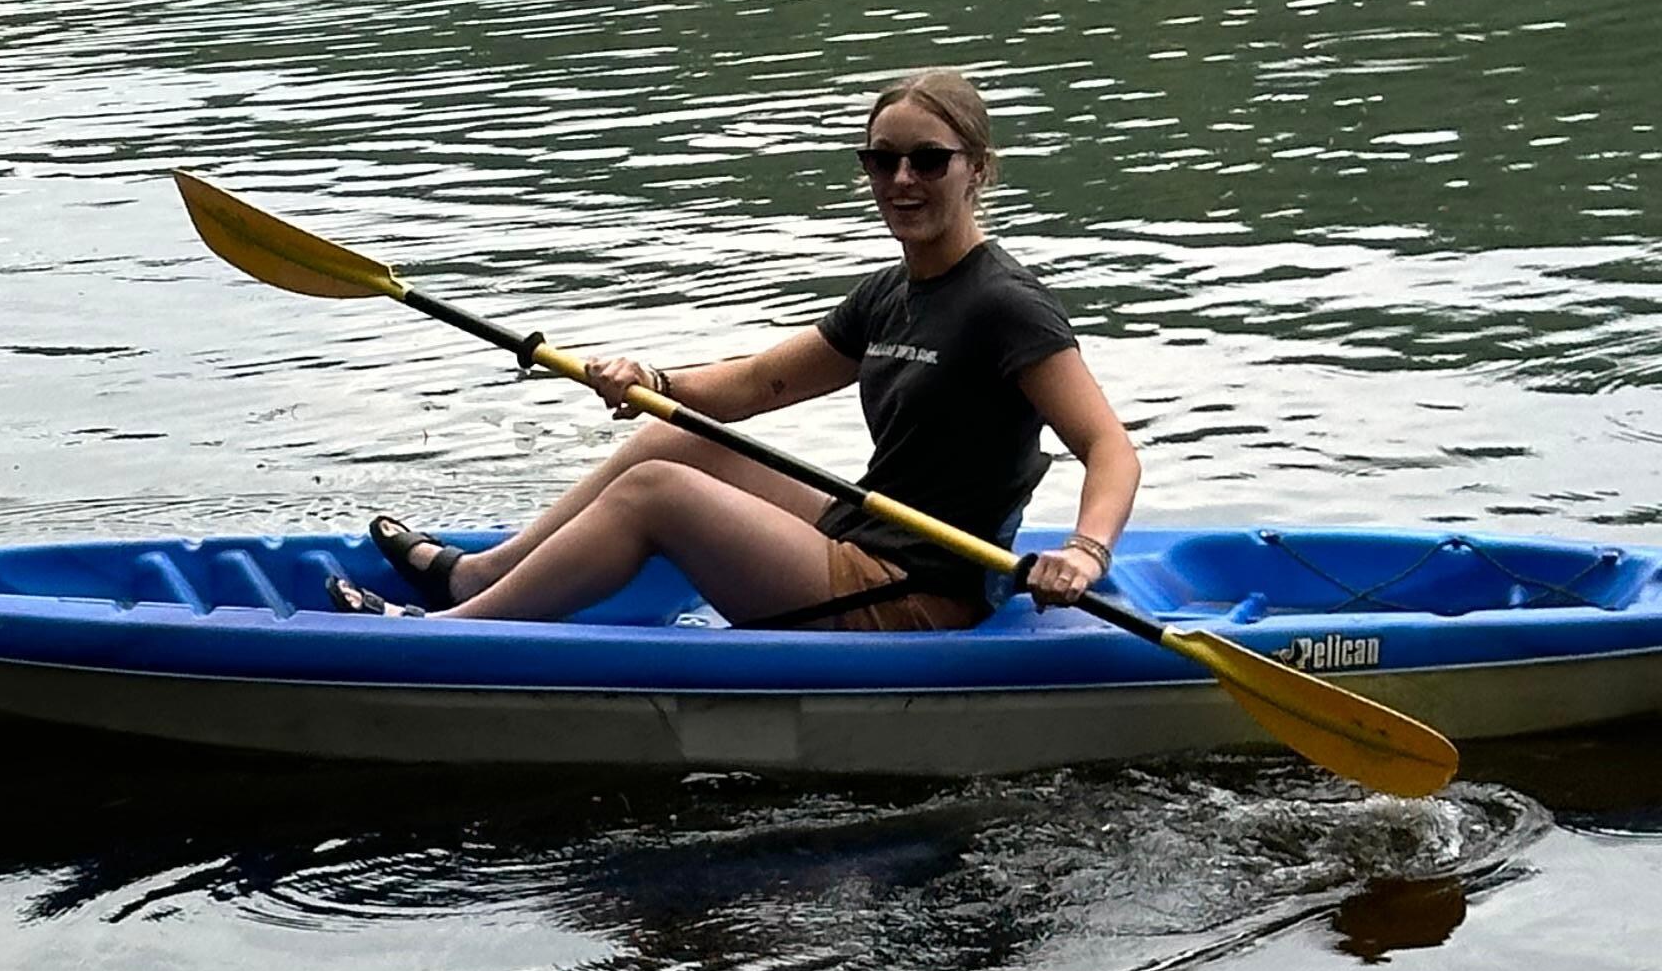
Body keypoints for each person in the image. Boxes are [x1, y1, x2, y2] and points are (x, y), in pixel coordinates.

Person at [337, 67, 1139, 633]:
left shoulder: (1005, 305)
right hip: (867, 535)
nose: (902, 179)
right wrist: (652, 378)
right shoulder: (892, 292)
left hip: (918, 593)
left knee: (656, 491)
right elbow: (758, 384)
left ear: (978, 171)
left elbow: (1110, 450)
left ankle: (453, 631)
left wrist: (1084, 551)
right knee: (675, 437)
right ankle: (475, 575)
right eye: (882, 159)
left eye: (928, 160)